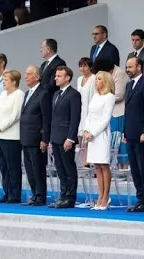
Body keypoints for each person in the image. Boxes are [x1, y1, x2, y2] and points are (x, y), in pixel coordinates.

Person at [122, 55, 144, 213]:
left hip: (141, 133)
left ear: (139, 67)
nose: (128, 70)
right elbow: (127, 110)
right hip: (130, 132)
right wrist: (125, 131)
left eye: (131, 67)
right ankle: (139, 197)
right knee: (134, 168)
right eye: (127, 67)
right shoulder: (129, 86)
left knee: (143, 167)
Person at [48, 65, 81, 209]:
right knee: (60, 168)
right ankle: (62, 195)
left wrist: (71, 138)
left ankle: (70, 197)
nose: (56, 78)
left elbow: (75, 118)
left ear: (67, 78)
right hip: (55, 136)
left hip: (66, 137)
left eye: (59, 76)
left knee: (68, 167)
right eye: (56, 75)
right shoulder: (56, 94)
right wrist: (50, 138)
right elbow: (54, 117)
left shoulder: (73, 94)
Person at [0, 68, 23, 203]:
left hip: (11, 136)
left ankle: (15, 194)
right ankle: (7, 192)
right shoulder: (3, 94)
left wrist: (1, 127)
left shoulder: (19, 94)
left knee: (13, 167)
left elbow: (15, 115)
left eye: (6, 80)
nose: (3, 83)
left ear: (14, 81)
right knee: (3, 167)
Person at [83, 70, 114, 210]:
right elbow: (89, 115)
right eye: (96, 79)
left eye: (99, 79)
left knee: (103, 165)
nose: (96, 82)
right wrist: (86, 130)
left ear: (106, 81)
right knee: (96, 166)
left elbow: (106, 118)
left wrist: (93, 133)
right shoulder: (95, 96)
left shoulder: (109, 97)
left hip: (102, 135)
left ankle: (105, 197)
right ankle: (99, 195)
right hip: (91, 134)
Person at [19, 65, 48, 206]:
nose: (26, 76)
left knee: (38, 168)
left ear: (37, 76)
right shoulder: (27, 93)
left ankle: (41, 195)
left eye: (29, 74)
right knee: (30, 169)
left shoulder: (43, 93)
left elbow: (46, 118)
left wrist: (44, 139)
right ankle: (34, 194)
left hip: (37, 138)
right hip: (26, 137)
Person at [75, 57, 95, 165]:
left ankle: (88, 163)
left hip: (89, 111)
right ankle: (82, 163)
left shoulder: (94, 78)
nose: (83, 68)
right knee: (80, 139)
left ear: (90, 67)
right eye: (81, 66)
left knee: (87, 140)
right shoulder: (79, 79)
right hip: (80, 111)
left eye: (85, 66)